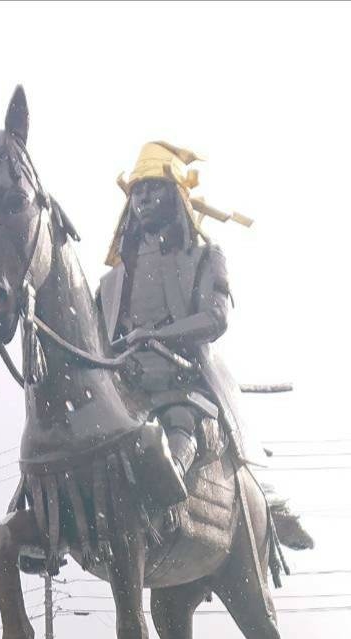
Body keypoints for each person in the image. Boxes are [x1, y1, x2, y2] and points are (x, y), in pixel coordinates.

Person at [96, 141, 252, 509]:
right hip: (124, 387)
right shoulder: (111, 282)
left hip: (183, 383)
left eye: (154, 189)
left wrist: (155, 335)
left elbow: (215, 318)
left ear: (176, 196)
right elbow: (96, 336)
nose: (144, 199)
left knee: (179, 419)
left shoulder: (206, 257)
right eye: (138, 191)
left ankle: (164, 494)